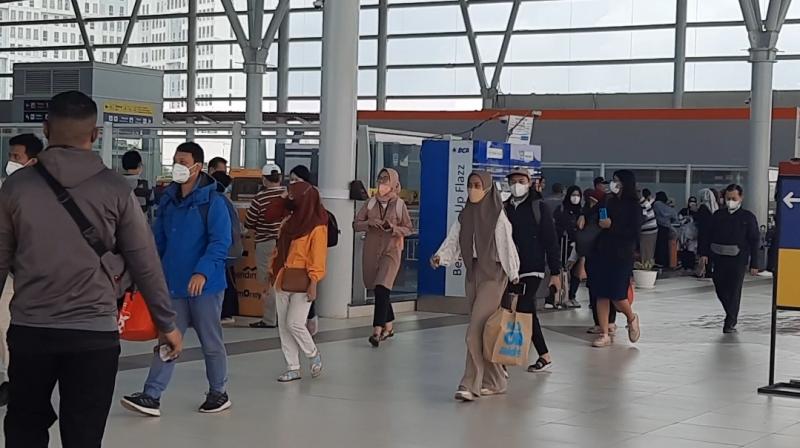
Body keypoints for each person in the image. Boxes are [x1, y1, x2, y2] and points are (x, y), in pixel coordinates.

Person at [0, 91, 181, 446]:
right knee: (84, 434)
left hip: (31, 331)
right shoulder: (115, 188)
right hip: (94, 334)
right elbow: (145, 261)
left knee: (24, 427)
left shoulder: (15, 187)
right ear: (95, 134)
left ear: (45, 129)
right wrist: (166, 323)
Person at [122, 142, 233, 417]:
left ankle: (218, 392)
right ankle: (151, 395)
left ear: (198, 166)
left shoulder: (214, 202)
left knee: (211, 342)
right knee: (167, 340)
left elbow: (221, 243)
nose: (178, 167)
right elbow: (156, 242)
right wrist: (145, 273)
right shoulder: (168, 201)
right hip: (172, 284)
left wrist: (202, 271)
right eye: (175, 160)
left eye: (183, 161)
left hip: (204, 287)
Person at [431, 171, 520, 402]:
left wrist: (513, 273)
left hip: (493, 275)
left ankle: (469, 383)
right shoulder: (466, 215)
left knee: (473, 332)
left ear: (488, 188)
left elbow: (506, 245)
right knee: (484, 331)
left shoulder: (497, 216)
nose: (473, 189)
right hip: (473, 274)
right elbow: (454, 240)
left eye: (478, 185)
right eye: (470, 185)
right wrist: (441, 257)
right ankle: (497, 379)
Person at [504, 168, 560, 373]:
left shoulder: (538, 207)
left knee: (524, 307)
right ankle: (543, 355)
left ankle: (511, 356)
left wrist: (555, 272)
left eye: (521, 180)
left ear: (529, 183)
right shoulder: (504, 208)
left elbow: (550, 239)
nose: (517, 185)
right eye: (513, 181)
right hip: (511, 268)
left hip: (533, 267)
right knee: (520, 310)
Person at [271, 181, 327, 382]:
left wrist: (314, 282)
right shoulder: (288, 222)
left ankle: (313, 354)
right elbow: (278, 250)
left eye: (292, 194)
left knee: (294, 323)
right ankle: (292, 367)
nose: (288, 197)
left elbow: (318, 257)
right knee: (284, 327)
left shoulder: (317, 226)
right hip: (281, 278)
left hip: (303, 279)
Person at [354, 168, 413, 347]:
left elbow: (409, 228)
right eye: (381, 181)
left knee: (382, 287)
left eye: (386, 182)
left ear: (394, 184)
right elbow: (356, 224)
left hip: (392, 250)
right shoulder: (370, 203)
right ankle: (389, 326)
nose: (383, 185)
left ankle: (377, 331)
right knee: (377, 286)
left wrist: (393, 228)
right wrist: (368, 223)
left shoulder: (400, 204)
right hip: (372, 250)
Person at [587, 170, 641, 348]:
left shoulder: (634, 205)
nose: (614, 184)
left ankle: (631, 318)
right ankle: (604, 333)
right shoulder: (608, 199)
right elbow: (592, 211)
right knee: (601, 293)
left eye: (617, 181)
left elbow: (633, 232)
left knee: (617, 295)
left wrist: (613, 226)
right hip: (602, 251)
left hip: (622, 254)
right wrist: (584, 216)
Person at [699, 184, 760, 334]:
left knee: (734, 290)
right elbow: (706, 235)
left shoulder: (748, 217)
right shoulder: (718, 216)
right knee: (719, 287)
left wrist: (755, 263)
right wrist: (704, 253)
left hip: (738, 259)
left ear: (741, 198)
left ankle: (730, 321)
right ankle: (730, 311)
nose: (730, 201)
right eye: (728, 198)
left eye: (734, 198)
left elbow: (754, 240)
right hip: (718, 257)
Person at [247, 164, 287, 329]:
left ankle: (270, 319)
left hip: (266, 243)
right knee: (284, 279)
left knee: (269, 281)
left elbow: (250, 222)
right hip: (287, 243)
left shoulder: (259, 198)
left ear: (264, 179)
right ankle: (287, 317)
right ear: (280, 177)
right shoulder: (288, 195)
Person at [579, 189, 617, 334]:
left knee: (607, 290)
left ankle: (610, 322)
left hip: (606, 253)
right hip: (592, 253)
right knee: (595, 290)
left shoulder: (606, 210)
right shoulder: (588, 211)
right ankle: (600, 323)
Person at [288, 165, 319, 334]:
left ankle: (310, 317)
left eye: (297, 180)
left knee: (306, 285)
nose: (293, 183)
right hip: (292, 254)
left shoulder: (313, 198)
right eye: (291, 179)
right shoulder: (290, 199)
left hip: (307, 252)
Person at [211, 171, 239, 326]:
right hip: (227, 248)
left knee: (224, 281)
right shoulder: (224, 201)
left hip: (224, 249)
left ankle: (225, 312)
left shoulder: (218, 201)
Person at [555, 185, 584, 308]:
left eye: (578, 195)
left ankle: (572, 295)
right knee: (564, 270)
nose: (575, 198)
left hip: (578, 244)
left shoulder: (582, 211)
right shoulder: (561, 209)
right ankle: (562, 295)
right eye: (573, 195)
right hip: (564, 244)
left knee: (577, 271)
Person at [121, 149, 155, 218]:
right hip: (141, 224)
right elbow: (151, 203)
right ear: (139, 165)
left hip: (120, 225)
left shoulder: (115, 184)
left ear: (123, 166)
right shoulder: (146, 185)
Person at [696, 188, 719, 279]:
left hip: (704, 233)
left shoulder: (703, 208)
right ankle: (709, 270)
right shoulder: (714, 207)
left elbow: (702, 224)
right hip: (713, 236)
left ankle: (704, 271)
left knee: (704, 253)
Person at [653, 191, 679, 268]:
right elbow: (674, 215)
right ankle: (666, 262)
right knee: (664, 245)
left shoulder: (656, 204)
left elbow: (662, 213)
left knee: (661, 245)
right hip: (666, 226)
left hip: (659, 226)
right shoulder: (665, 206)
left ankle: (660, 261)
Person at [639, 188, 658, 266]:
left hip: (648, 231)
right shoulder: (643, 201)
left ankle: (646, 272)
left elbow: (643, 217)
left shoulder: (641, 202)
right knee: (648, 252)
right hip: (650, 230)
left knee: (646, 253)